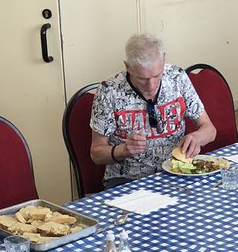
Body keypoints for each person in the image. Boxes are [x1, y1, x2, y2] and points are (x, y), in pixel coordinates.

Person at [89, 34, 217, 189]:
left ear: (164, 60)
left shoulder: (177, 78)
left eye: (157, 76)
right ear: (128, 66)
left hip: (176, 172)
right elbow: (96, 154)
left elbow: (210, 130)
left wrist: (197, 138)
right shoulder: (109, 91)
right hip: (127, 180)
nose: (151, 85)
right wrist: (123, 150)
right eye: (142, 79)